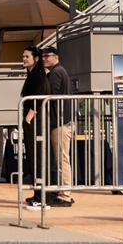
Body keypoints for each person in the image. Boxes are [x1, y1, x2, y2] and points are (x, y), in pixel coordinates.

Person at [43, 45, 74, 207]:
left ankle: (65, 195)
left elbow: (51, 95)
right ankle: (65, 191)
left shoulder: (56, 73)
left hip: (60, 122)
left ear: (56, 57)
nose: (44, 58)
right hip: (63, 121)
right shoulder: (60, 71)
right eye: (43, 56)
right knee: (62, 158)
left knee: (62, 159)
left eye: (48, 56)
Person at [20, 45, 50, 209]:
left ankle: (42, 195)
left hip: (35, 120)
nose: (24, 59)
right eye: (23, 56)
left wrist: (30, 115)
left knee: (37, 156)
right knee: (32, 156)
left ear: (35, 58)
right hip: (32, 120)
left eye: (27, 56)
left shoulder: (38, 75)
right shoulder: (32, 74)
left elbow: (40, 95)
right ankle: (38, 193)